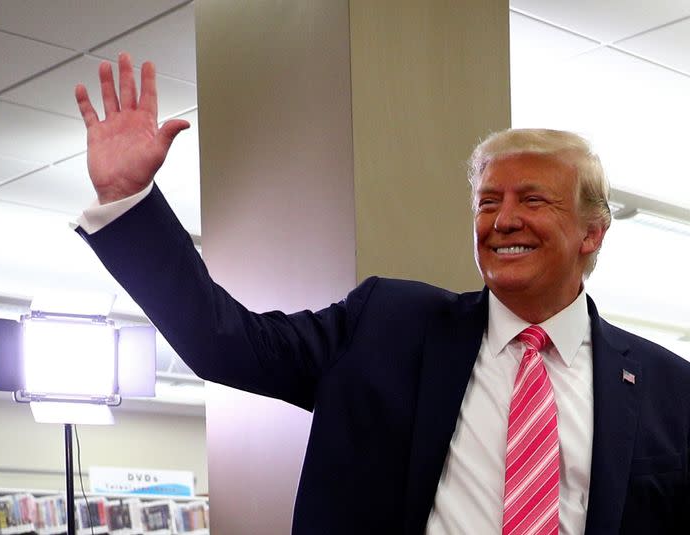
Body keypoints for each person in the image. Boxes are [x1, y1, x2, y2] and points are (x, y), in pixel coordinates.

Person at [74, 53, 690, 534]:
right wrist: (129, 201)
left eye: (532, 201)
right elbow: (223, 343)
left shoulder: (670, 388)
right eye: (487, 202)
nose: (503, 220)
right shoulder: (387, 326)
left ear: (592, 231)